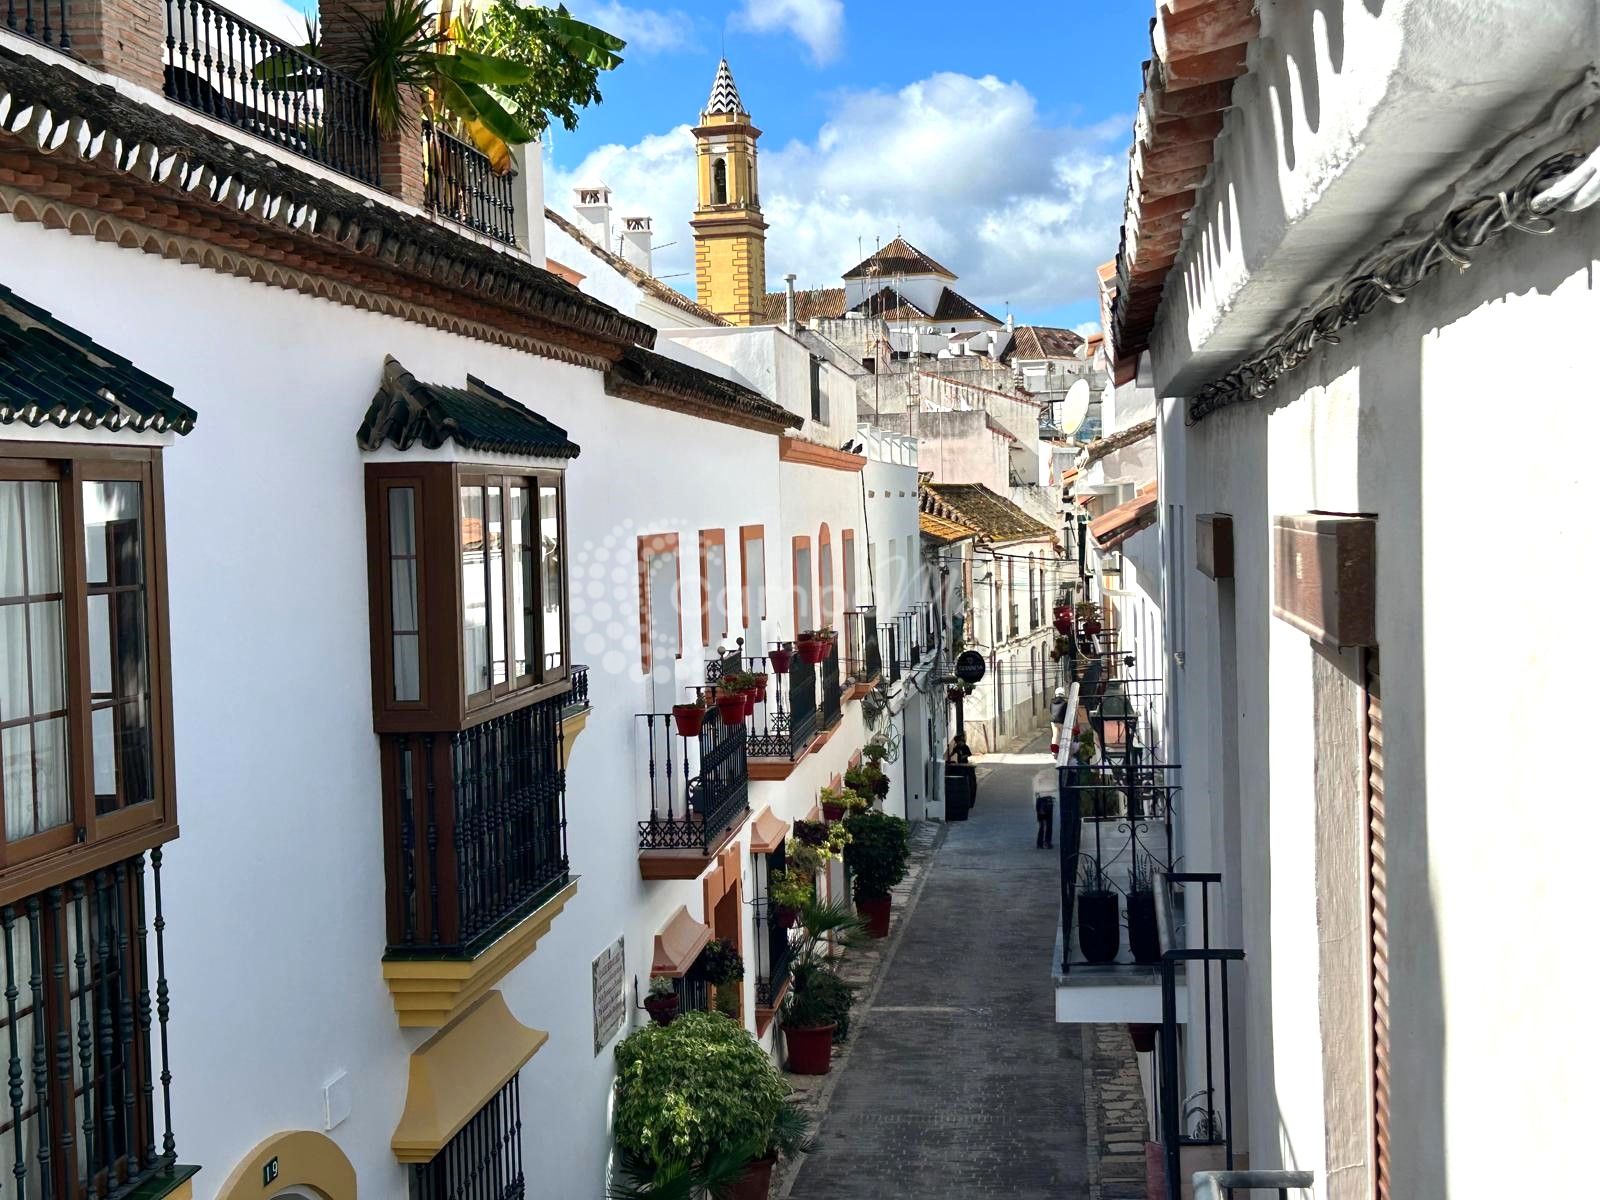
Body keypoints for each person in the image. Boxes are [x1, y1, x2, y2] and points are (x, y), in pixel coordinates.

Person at [1049, 686, 1069, 754]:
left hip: (1053, 721)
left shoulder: (1052, 702)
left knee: (1055, 735)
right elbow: (1067, 712)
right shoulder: (1065, 703)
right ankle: (1062, 750)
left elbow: (1051, 710)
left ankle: (1054, 751)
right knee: (1062, 735)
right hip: (1061, 721)